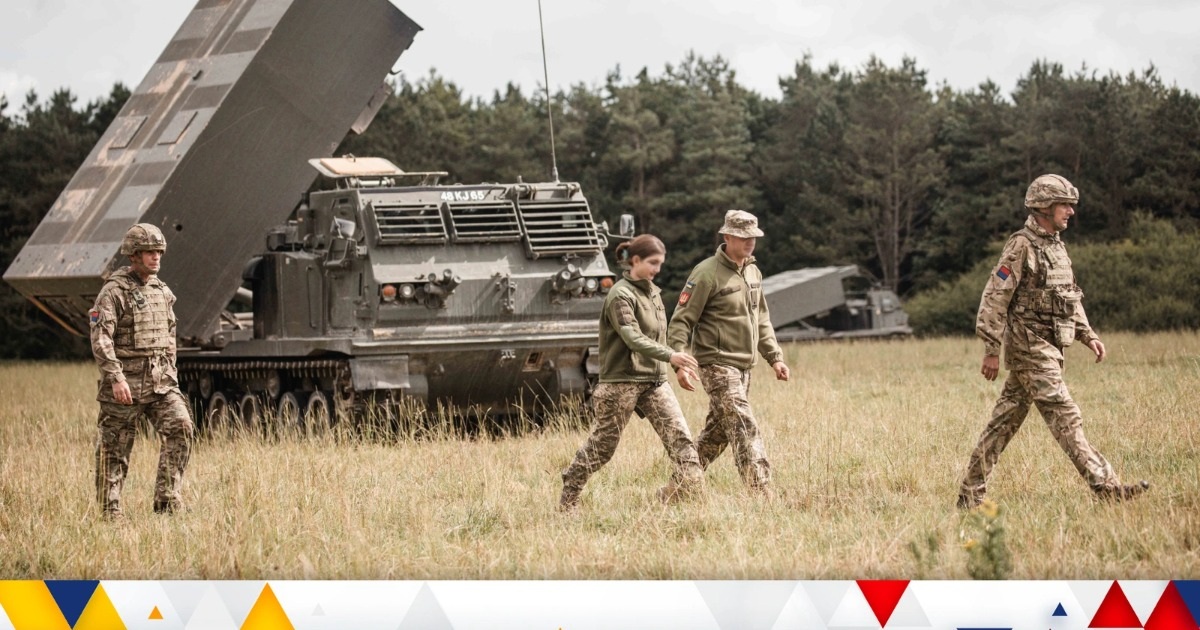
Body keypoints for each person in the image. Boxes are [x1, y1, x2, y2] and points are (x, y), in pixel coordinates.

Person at [957, 174, 1149, 509]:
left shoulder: (1056, 247)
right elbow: (994, 298)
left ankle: (969, 495)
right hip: (1029, 348)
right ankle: (1106, 486)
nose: (1071, 212)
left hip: (1050, 347)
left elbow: (1068, 297)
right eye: (1065, 205)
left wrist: (1087, 334)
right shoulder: (1021, 246)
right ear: (1044, 206)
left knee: (1002, 424)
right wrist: (991, 349)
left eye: (1071, 205)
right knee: (1065, 413)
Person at [560, 234, 704, 511]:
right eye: (652, 263)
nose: (657, 269)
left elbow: (659, 336)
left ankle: (686, 502)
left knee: (682, 442)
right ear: (635, 260)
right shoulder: (620, 295)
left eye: (660, 263)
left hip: (654, 381)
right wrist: (671, 355)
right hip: (621, 382)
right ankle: (570, 495)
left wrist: (676, 366)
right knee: (603, 448)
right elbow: (632, 338)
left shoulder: (653, 293)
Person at [666, 210, 789, 495]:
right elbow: (682, 319)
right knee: (744, 424)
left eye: (754, 237)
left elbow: (762, 319)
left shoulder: (753, 271)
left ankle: (679, 488)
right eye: (744, 237)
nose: (750, 242)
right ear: (728, 236)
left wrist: (775, 358)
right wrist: (680, 363)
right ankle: (761, 492)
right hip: (716, 364)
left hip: (745, 367)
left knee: (717, 434)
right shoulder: (706, 273)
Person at [90, 223, 194, 518]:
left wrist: (170, 373)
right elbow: (100, 337)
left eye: (159, 252)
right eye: (149, 252)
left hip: (160, 385)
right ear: (134, 255)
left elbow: (170, 335)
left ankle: (166, 502)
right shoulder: (113, 292)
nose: (156, 257)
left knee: (182, 427)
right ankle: (110, 511)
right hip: (125, 386)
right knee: (115, 448)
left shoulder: (163, 292)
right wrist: (116, 377)